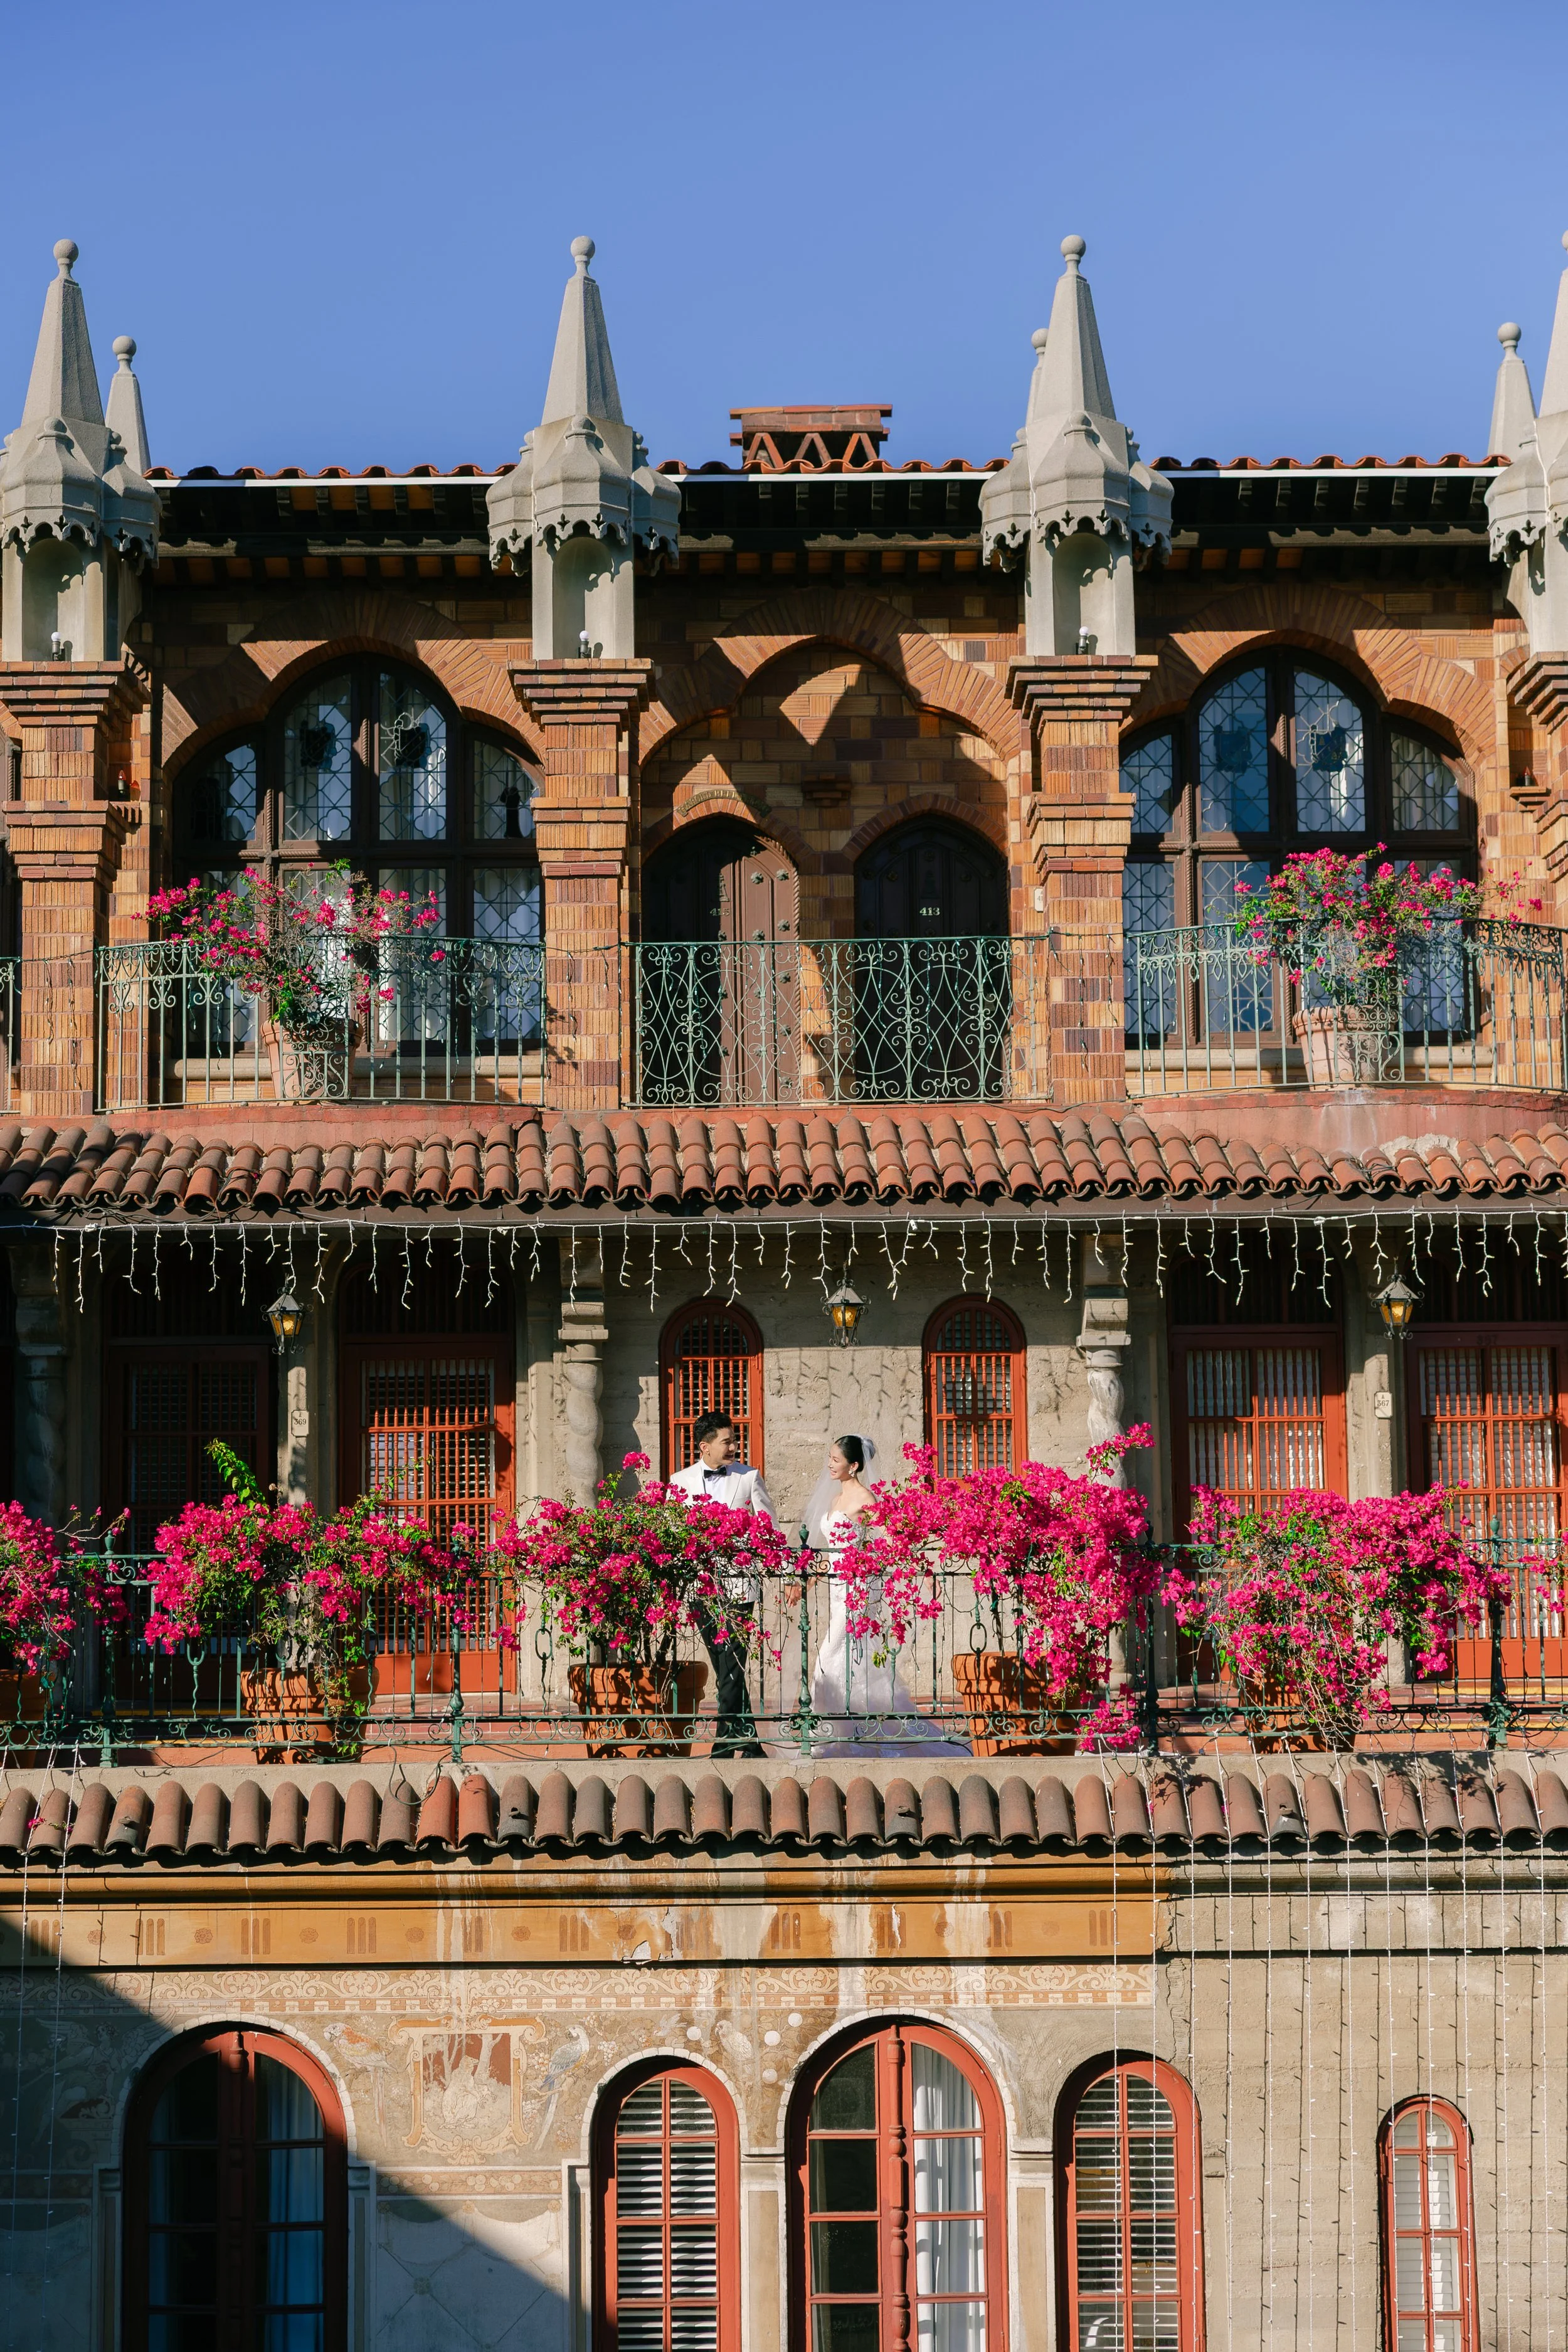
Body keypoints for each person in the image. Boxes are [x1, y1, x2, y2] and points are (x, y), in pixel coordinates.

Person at [808, 1433, 969, 1757]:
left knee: (830, 1657)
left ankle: (846, 1733)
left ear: (854, 1466)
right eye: (829, 1457)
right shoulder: (834, 1500)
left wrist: (923, 1573)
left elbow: (895, 1538)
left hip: (859, 1588)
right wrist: (810, 1577)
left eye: (836, 1460)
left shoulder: (866, 1500)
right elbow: (830, 1549)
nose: (830, 1464)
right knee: (849, 1658)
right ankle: (845, 1732)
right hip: (837, 1587)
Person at [666, 1409, 777, 1758]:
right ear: (705, 1446)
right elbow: (671, 1534)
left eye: (734, 1440)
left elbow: (768, 1528)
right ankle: (750, 1741)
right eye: (727, 1441)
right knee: (723, 1663)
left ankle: (724, 1744)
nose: (734, 1446)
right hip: (700, 1586)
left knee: (732, 1660)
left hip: (740, 1584)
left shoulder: (749, 1477)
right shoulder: (679, 1481)